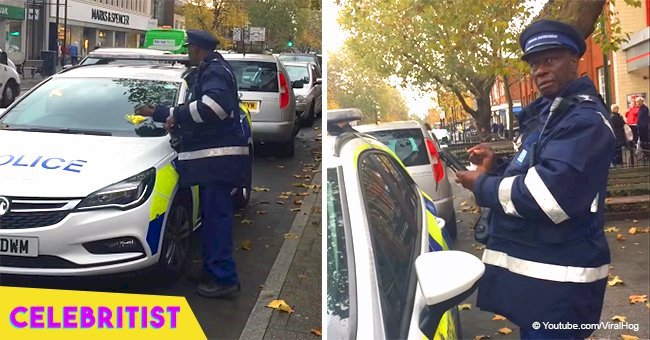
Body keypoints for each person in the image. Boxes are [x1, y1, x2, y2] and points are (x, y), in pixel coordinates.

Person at [456, 19, 614, 339]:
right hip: (544, 284)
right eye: (535, 63)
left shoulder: (584, 121)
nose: (540, 70)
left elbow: (549, 197)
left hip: (563, 287)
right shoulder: (552, 116)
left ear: (574, 61)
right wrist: (495, 165)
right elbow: (535, 170)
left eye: (550, 59)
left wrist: (482, 185)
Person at [135, 29, 249, 298]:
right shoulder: (211, 69)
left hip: (218, 163)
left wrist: (168, 113)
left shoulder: (215, 71)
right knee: (212, 220)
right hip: (215, 164)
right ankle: (213, 271)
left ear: (197, 49)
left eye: (189, 49)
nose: (187, 53)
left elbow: (213, 108)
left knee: (218, 221)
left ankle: (224, 280)